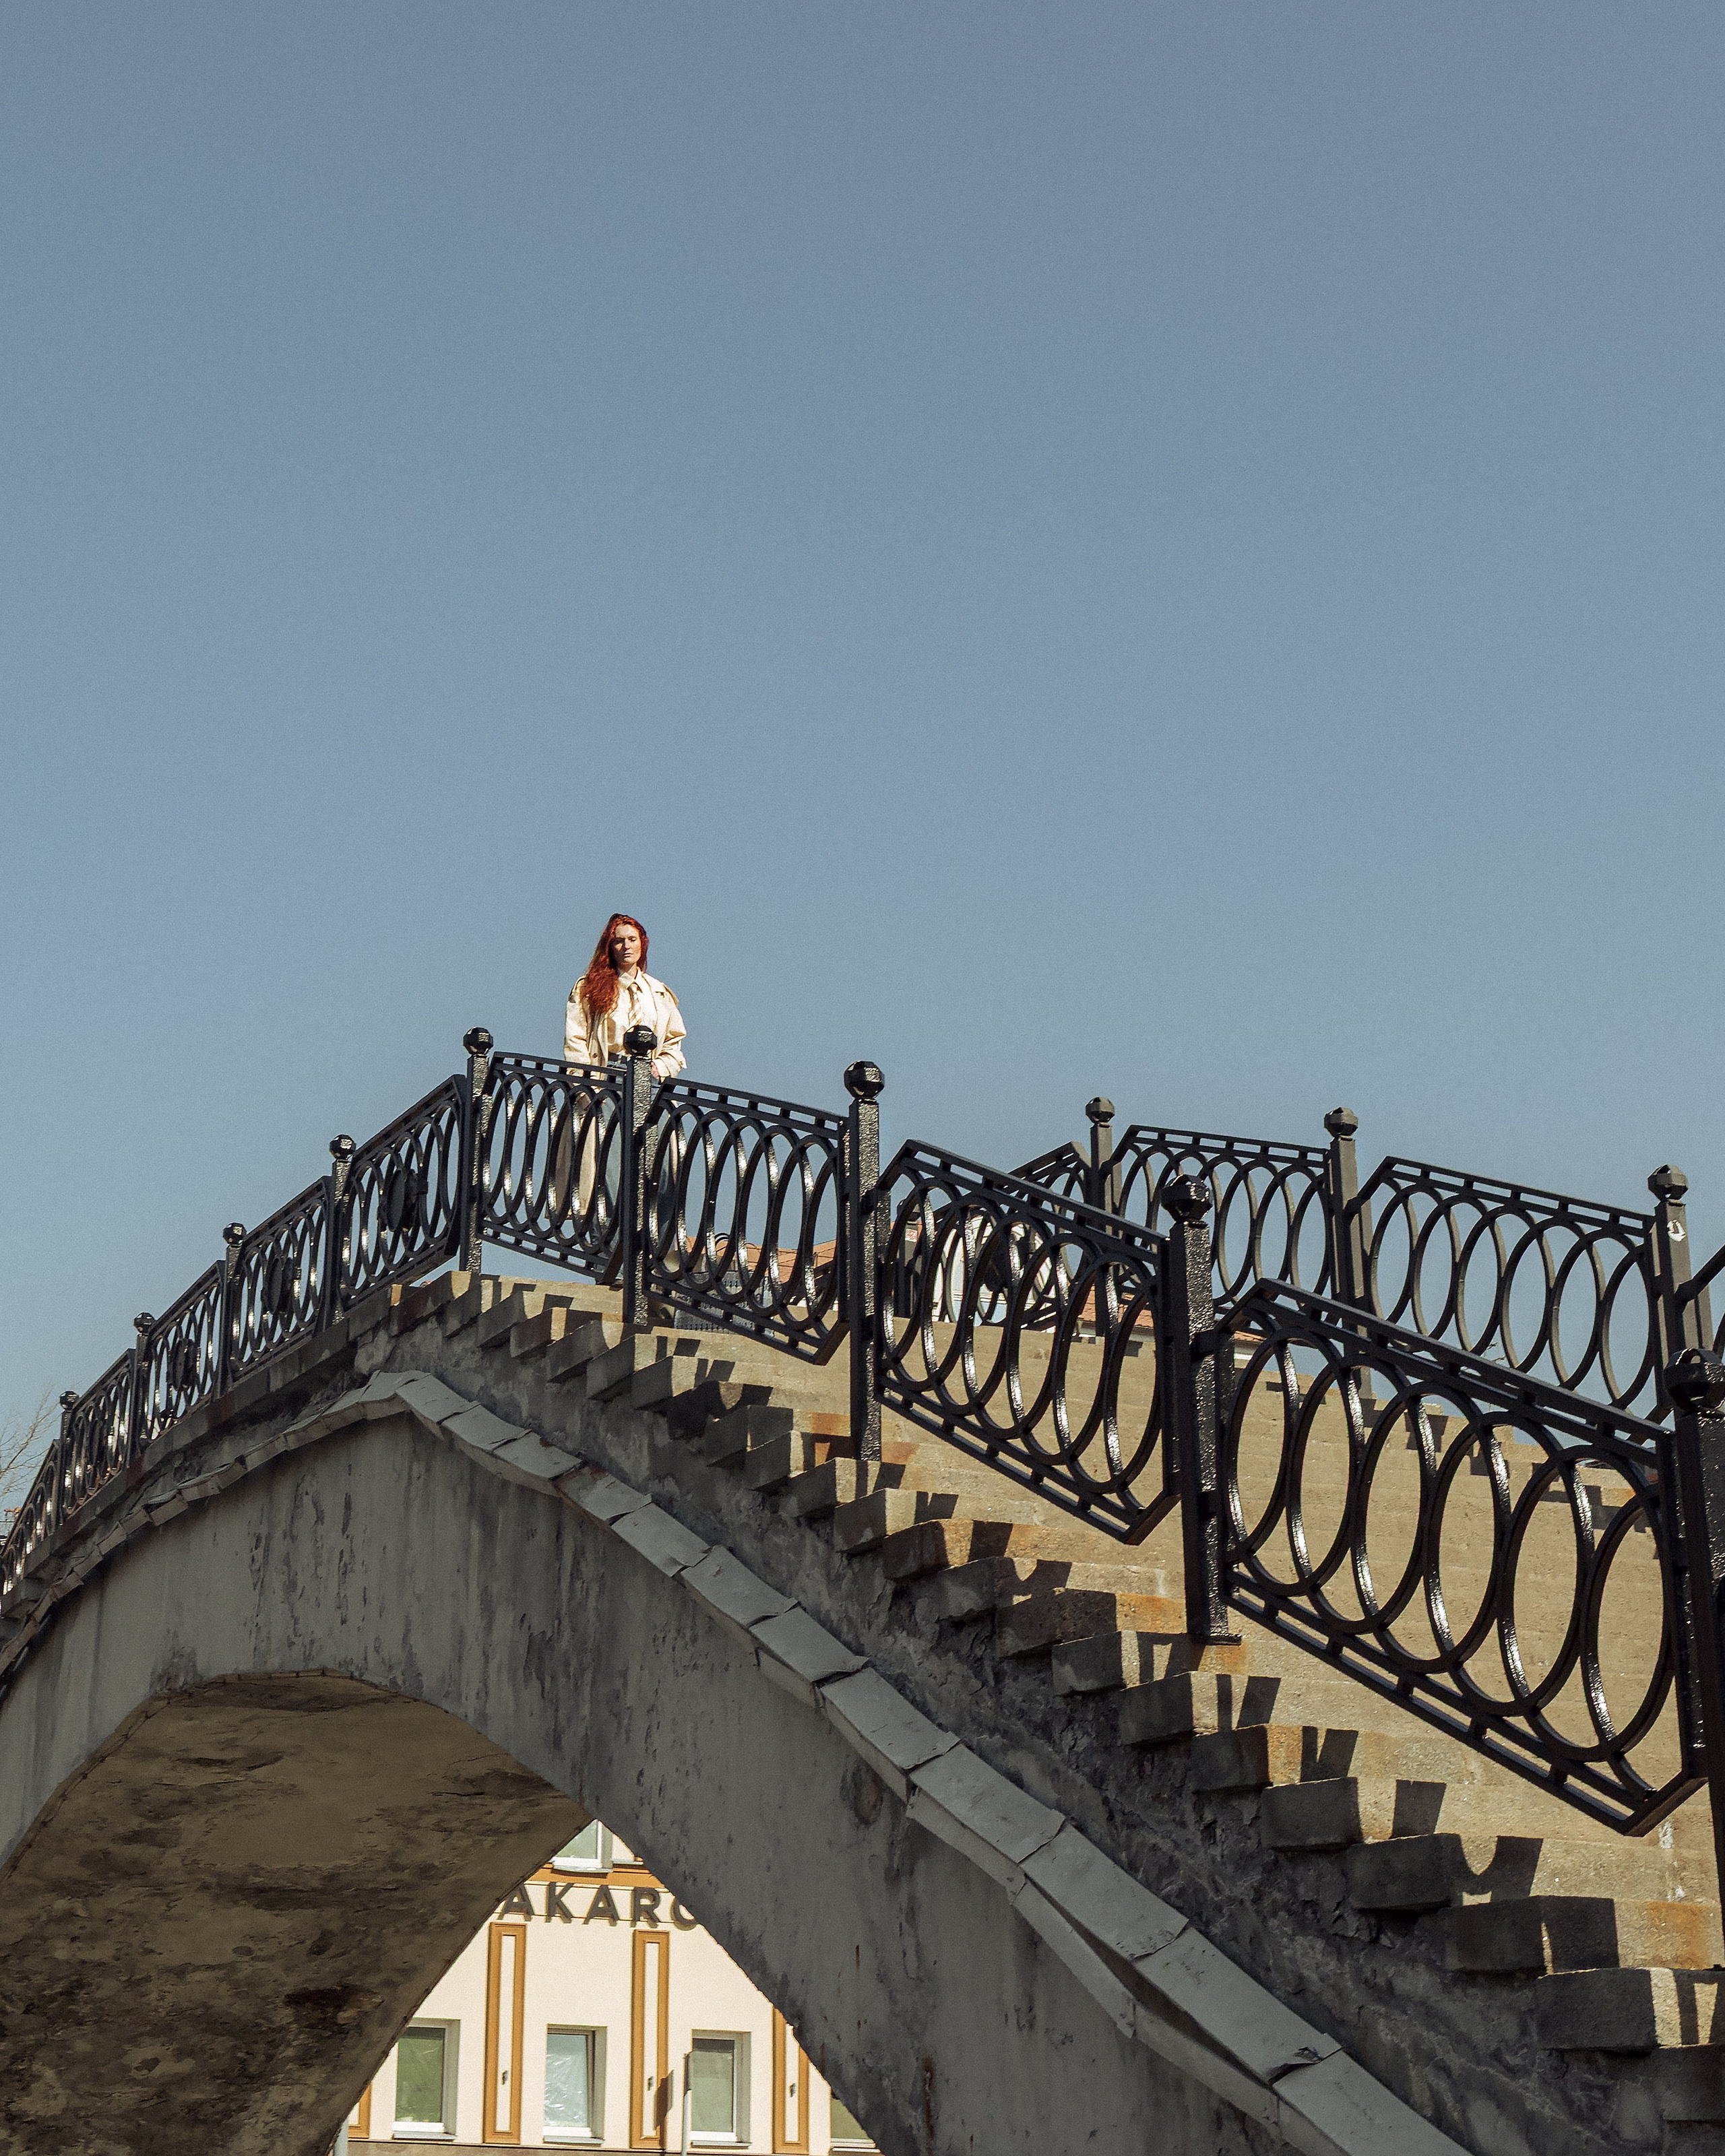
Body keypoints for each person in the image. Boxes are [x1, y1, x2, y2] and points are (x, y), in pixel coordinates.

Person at [565, 913, 687, 1079]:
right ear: (610, 947)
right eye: (619, 941)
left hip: (647, 1078)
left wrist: (660, 1068)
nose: (626, 946)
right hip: (606, 1078)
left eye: (632, 939)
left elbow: (674, 1041)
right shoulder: (588, 988)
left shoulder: (660, 994)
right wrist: (588, 1092)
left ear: (642, 944)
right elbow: (575, 1042)